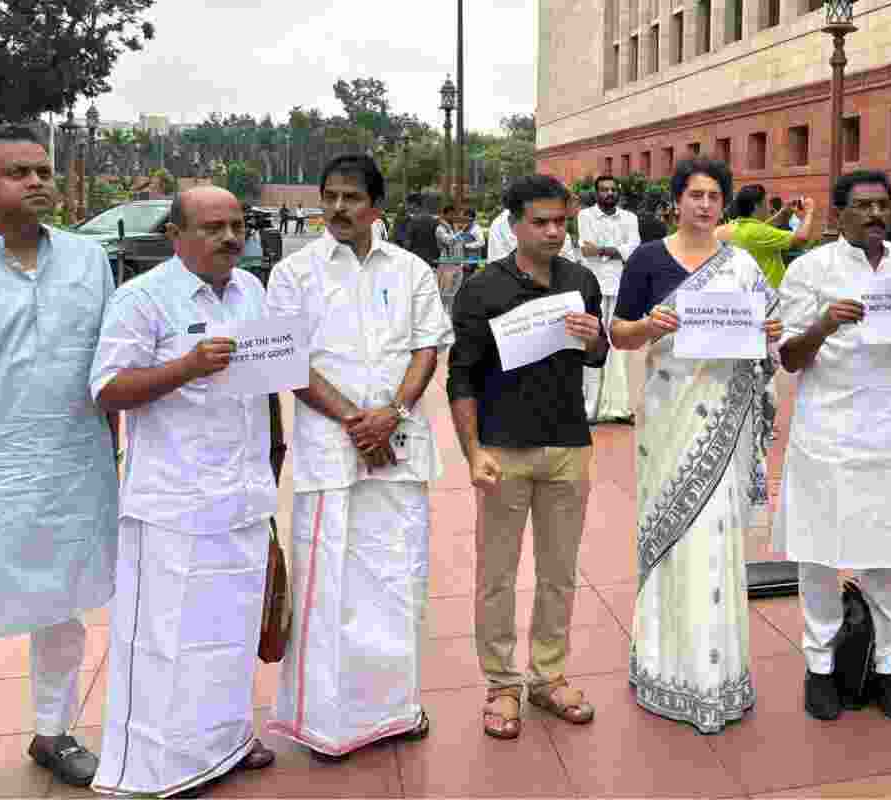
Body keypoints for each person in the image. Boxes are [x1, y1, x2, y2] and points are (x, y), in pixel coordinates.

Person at [0, 124, 117, 800]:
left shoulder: (88, 261)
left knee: (64, 612)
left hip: (70, 468)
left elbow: (108, 363)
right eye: (19, 173)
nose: (38, 182)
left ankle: (53, 735)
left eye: (44, 170)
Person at [90, 186, 278, 797]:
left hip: (243, 494)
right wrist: (187, 367)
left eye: (237, 226)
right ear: (175, 236)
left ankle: (222, 744)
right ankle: (150, 773)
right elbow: (108, 389)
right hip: (173, 502)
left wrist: (275, 460)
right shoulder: (141, 300)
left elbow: (269, 381)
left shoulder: (252, 290)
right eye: (213, 227)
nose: (230, 238)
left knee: (228, 631)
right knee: (162, 642)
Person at [263, 155, 448, 759]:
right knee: (329, 584)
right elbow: (289, 364)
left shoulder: (412, 269)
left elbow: (426, 350)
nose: (338, 208)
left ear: (375, 205)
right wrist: (354, 421)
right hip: (331, 451)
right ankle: (326, 723)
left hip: (397, 450)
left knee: (398, 580)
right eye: (330, 196)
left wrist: (390, 415)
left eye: (350, 197)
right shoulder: (294, 274)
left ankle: (396, 710)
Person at [609, 157, 781, 734]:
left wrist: (770, 334)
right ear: (676, 201)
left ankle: (719, 673)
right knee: (671, 529)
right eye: (695, 195)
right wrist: (652, 328)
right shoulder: (649, 259)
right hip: (669, 415)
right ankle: (663, 667)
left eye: (714, 196)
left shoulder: (742, 265)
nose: (705, 205)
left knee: (717, 536)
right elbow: (619, 333)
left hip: (725, 422)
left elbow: (767, 331)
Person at [447, 175, 607, 740]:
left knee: (559, 573)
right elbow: (460, 377)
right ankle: (500, 684)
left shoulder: (581, 281)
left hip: (567, 445)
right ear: (513, 224)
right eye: (540, 222)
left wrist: (592, 338)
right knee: (497, 574)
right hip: (502, 449)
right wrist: (472, 451)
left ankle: (547, 676)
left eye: (561, 221)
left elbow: (597, 357)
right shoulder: (482, 290)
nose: (553, 232)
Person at [776, 169, 891, 722]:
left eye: (883, 206)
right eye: (863, 205)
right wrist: (823, 324)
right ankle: (819, 668)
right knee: (818, 550)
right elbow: (791, 358)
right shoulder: (809, 269)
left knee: (887, 551)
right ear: (839, 212)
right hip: (828, 429)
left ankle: (884, 668)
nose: (874, 215)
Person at [577, 175, 640, 423]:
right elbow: (585, 250)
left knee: (619, 348)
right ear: (596, 193)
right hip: (593, 289)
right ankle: (588, 411)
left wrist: (602, 250)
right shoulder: (585, 217)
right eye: (604, 190)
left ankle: (618, 409)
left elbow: (633, 250)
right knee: (592, 345)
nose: (609, 193)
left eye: (613, 189)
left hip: (621, 288)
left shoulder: (629, 218)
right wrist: (617, 251)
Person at [714, 183, 815, 288]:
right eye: (766, 203)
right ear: (757, 206)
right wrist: (809, 212)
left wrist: (784, 212)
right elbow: (801, 239)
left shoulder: (732, 227)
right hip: (769, 295)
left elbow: (763, 228)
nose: (768, 207)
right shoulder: (758, 232)